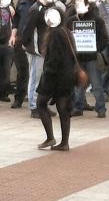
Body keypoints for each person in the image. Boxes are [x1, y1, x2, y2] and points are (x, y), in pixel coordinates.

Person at [36, 8, 75, 151]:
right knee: (63, 109)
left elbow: (54, 58)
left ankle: (50, 137)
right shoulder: (66, 32)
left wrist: (47, 74)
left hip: (55, 77)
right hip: (67, 76)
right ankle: (64, 142)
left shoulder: (56, 33)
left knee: (40, 103)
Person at [66, 0, 109, 118]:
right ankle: (78, 107)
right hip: (77, 58)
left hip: (91, 57)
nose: (77, 7)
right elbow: (66, 37)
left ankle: (101, 108)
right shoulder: (71, 21)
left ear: (87, 6)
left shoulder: (97, 20)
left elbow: (104, 38)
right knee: (78, 84)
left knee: (96, 84)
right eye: (76, 5)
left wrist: (96, 49)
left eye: (80, 5)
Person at [23, 0, 57, 118]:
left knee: (43, 78)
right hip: (37, 49)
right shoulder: (35, 9)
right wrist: (28, 45)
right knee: (35, 78)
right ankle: (33, 106)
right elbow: (28, 29)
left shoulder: (47, 8)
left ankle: (42, 105)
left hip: (46, 47)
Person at [0, 0, 15, 102]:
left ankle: (3, 93)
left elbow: (12, 23)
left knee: (5, 72)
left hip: (6, 43)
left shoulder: (8, 9)